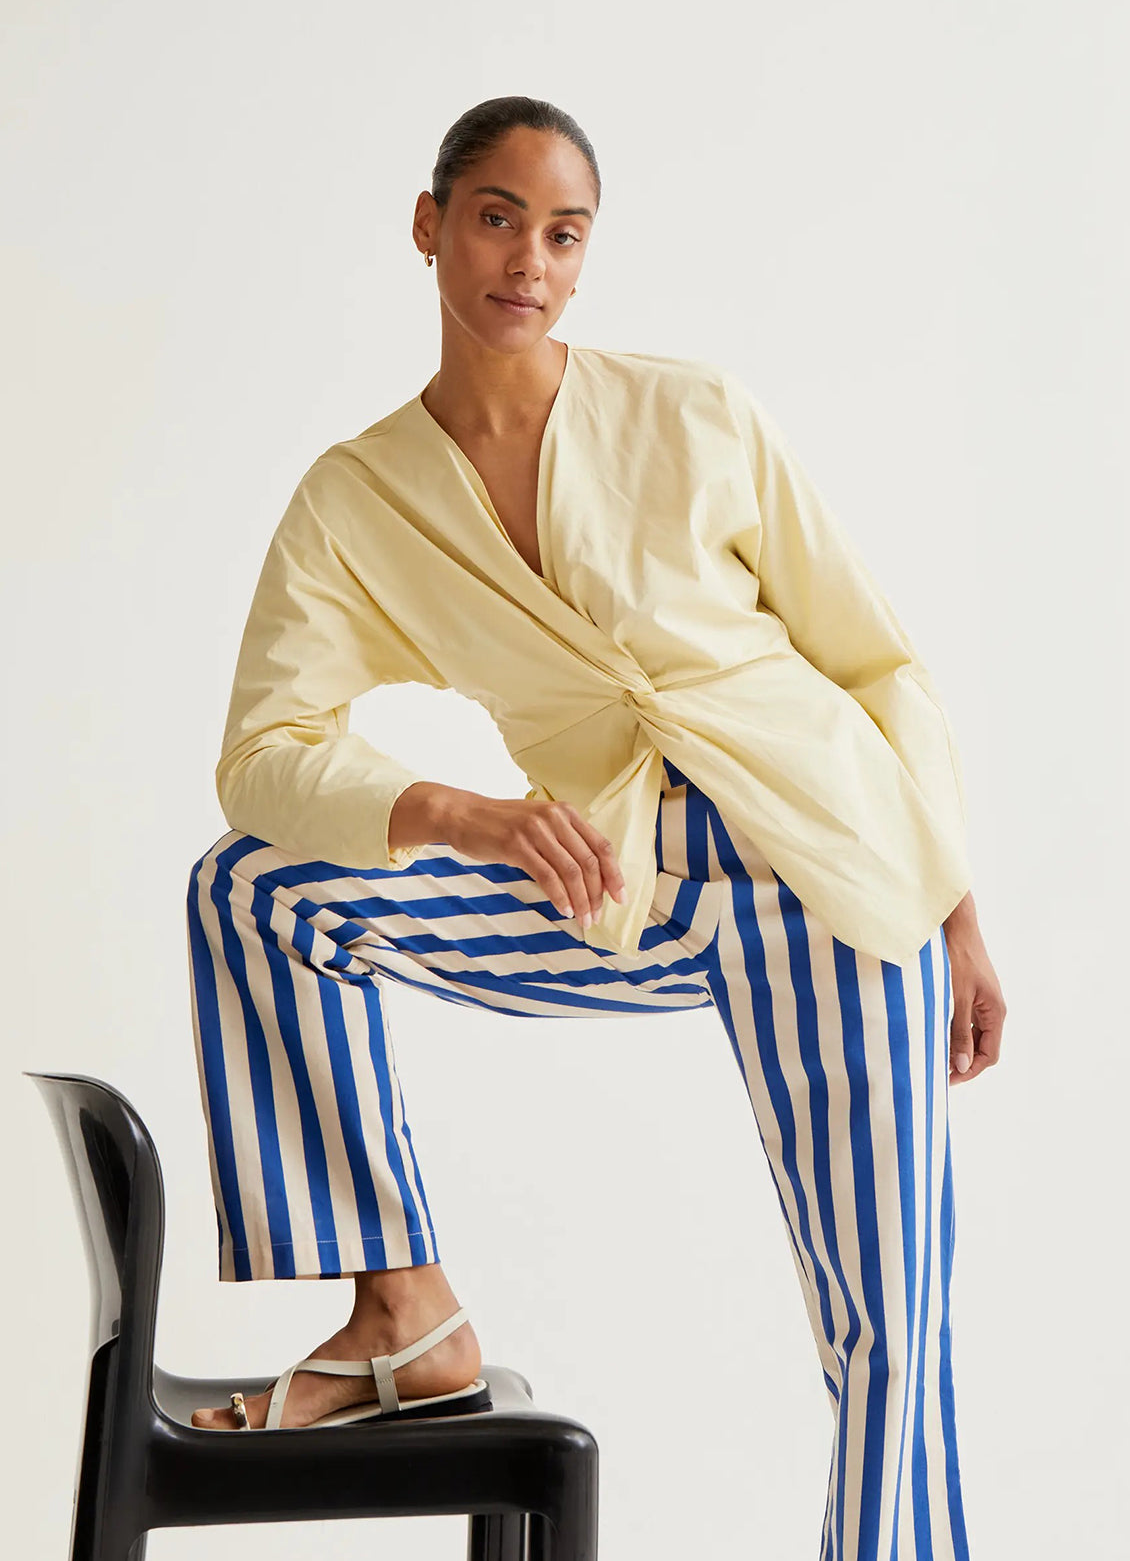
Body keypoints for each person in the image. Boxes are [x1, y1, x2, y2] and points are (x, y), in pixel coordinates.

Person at [185, 94, 1006, 1556]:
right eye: (497, 218)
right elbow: (263, 754)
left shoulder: (694, 412)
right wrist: (455, 815)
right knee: (255, 891)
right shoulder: (359, 499)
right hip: (607, 878)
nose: (530, 263)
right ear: (429, 224)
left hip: (826, 872)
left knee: (887, 1334)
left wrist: (952, 904)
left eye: (564, 234)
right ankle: (399, 1306)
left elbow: (873, 660)